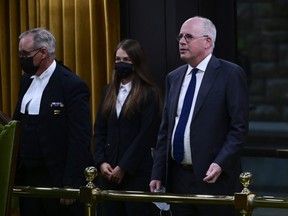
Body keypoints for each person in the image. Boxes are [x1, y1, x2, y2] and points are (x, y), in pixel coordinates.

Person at [149, 16, 249, 216]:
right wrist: (158, 172)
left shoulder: (230, 74)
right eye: (180, 37)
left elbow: (239, 128)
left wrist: (220, 163)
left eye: (188, 37)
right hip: (178, 178)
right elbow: (166, 129)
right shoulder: (174, 77)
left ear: (207, 42)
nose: (182, 41)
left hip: (213, 179)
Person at [13, 28, 93, 216]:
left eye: (25, 54)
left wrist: (71, 183)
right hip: (28, 178)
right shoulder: (26, 81)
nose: (21, 58)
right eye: (20, 53)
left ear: (43, 53)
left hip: (56, 178)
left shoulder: (71, 85)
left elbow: (80, 137)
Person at [93, 39, 162, 216]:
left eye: (126, 60)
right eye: (117, 59)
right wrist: (101, 162)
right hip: (108, 173)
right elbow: (100, 130)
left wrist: (123, 166)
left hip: (136, 173)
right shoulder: (108, 91)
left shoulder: (149, 93)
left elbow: (145, 135)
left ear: (136, 62)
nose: (120, 64)